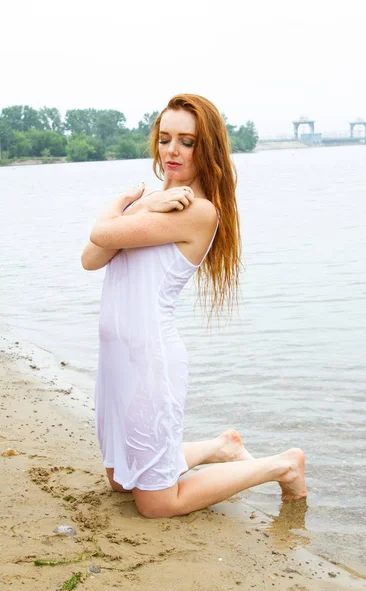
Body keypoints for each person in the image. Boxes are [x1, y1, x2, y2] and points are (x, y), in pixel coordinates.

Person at [81, 93, 307, 518]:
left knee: (157, 504)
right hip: (114, 360)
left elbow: (101, 235)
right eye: (165, 138)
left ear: (209, 149)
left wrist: (128, 205)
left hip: (150, 359)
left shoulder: (197, 211)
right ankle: (221, 447)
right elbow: (90, 259)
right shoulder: (154, 202)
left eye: (187, 141)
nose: (172, 151)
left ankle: (282, 465)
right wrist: (143, 202)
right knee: (119, 480)